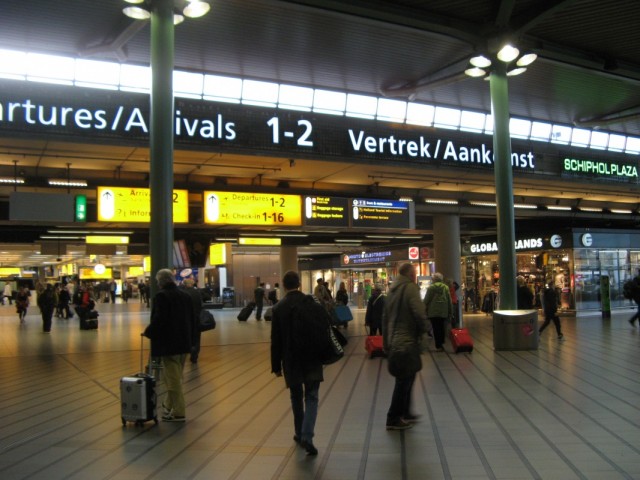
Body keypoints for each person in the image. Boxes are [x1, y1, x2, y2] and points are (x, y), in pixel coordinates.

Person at [271, 270, 323, 456]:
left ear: (284, 286)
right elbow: (322, 328)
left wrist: (276, 366)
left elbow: (276, 340)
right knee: (312, 396)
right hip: (312, 357)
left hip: (291, 359)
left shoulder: (278, 308)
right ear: (299, 284)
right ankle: (307, 436)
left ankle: (299, 433)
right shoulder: (311, 302)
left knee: (295, 396)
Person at [144, 268, 196, 422]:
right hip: (184, 343)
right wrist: (192, 340)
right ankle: (168, 405)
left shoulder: (162, 296)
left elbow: (159, 319)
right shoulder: (185, 295)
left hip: (169, 344)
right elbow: (192, 319)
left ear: (161, 282)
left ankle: (179, 412)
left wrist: (148, 332)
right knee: (175, 376)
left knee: (172, 380)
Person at [383, 263, 428, 430]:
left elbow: (385, 318)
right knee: (404, 380)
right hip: (407, 340)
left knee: (408, 376)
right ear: (410, 274)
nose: (415, 276)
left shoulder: (392, 290)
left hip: (395, 340)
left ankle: (406, 412)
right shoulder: (410, 288)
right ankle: (394, 417)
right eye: (414, 273)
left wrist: (386, 342)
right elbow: (419, 312)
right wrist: (426, 328)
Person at [423, 272, 453, 352]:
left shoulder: (431, 288)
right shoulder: (445, 287)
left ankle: (438, 345)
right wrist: (451, 311)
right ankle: (442, 341)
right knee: (442, 327)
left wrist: (423, 308)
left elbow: (427, 299)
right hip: (443, 311)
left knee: (436, 328)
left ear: (434, 279)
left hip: (433, 311)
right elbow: (449, 300)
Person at [180, 277, 203, 364]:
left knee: (186, 336)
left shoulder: (182, 293)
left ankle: (184, 354)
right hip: (196, 318)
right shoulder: (197, 292)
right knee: (196, 337)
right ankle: (194, 356)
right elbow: (201, 305)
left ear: (185, 285)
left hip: (185, 319)